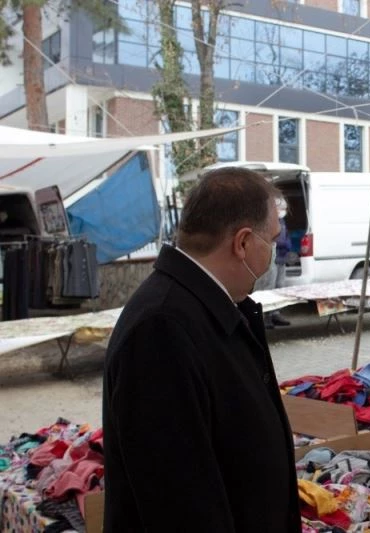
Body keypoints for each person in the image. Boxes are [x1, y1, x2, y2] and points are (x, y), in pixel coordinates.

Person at [102, 168, 301, 532]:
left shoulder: (207, 306)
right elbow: (180, 503)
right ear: (242, 243)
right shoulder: (161, 329)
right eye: (271, 240)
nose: (274, 250)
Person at [261, 199, 292, 328]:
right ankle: (267, 315)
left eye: (283, 208)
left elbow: (286, 237)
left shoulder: (282, 221)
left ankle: (276, 313)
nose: (282, 211)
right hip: (272, 257)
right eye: (280, 208)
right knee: (270, 286)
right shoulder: (269, 221)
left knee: (280, 285)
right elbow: (271, 238)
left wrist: (288, 246)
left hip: (282, 257)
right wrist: (283, 244)